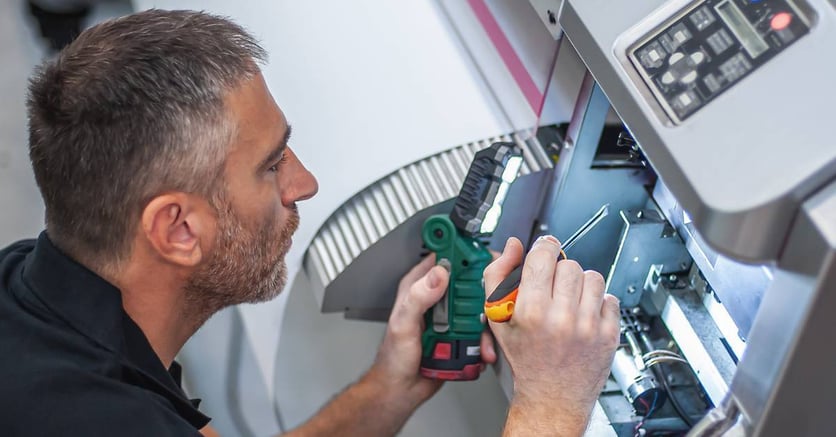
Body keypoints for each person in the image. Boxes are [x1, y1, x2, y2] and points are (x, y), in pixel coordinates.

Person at [0, 9, 620, 437]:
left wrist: (390, 386)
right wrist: (551, 399)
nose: (306, 184)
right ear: (178, 230)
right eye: (272, 166)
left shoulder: (37, 293)